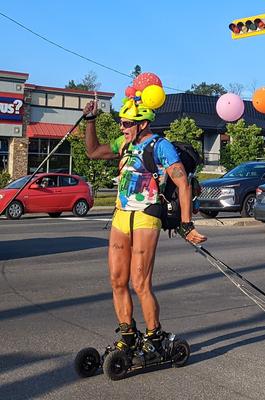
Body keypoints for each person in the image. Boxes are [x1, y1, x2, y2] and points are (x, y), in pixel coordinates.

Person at [83, 93, 207, 358]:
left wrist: (186, 224)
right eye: (121, 122)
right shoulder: (124, 144)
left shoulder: (159, 146)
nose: (121, 127)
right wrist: (90, 120)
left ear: (141, 124)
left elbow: (183, 183)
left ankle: (155, 335)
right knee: (117, 280)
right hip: (120, 215)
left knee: (140, 283)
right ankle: (127, 335)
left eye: (127, 123)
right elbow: (93, 152)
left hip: (146, 216)